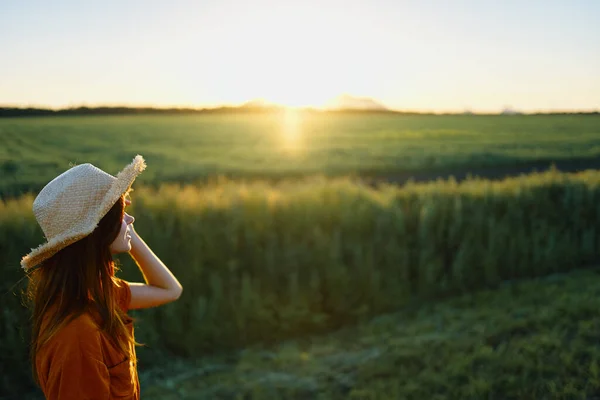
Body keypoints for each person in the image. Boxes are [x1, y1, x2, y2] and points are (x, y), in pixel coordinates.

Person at [21, 155, 183, 399]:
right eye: (120, 212)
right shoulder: (77, 334)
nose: (131, 218)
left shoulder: (99, 292)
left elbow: (170, 290)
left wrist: (125, 228)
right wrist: (117, 226)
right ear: (97, 231)